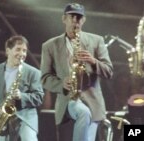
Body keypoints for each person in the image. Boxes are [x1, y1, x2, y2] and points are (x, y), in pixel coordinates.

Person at [40, 3, 113, 141]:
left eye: (79, 17)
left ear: (83, 20)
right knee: (84, 113)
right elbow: (44, 78)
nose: (75, 21)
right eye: (72, 16)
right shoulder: (49, 45)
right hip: (69, 100)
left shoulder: (97, 41)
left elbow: (109, 71)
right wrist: (62, 83)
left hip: (93, 103)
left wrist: (93, 61)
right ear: (64, 19)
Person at [0, 35, 44, 141]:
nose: (22, 54)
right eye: (18, 49)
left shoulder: (34, 73)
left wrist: (22, 96)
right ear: (8, 51)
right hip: (3, 119)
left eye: (24, 51)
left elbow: (39, 97)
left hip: (26, 118)